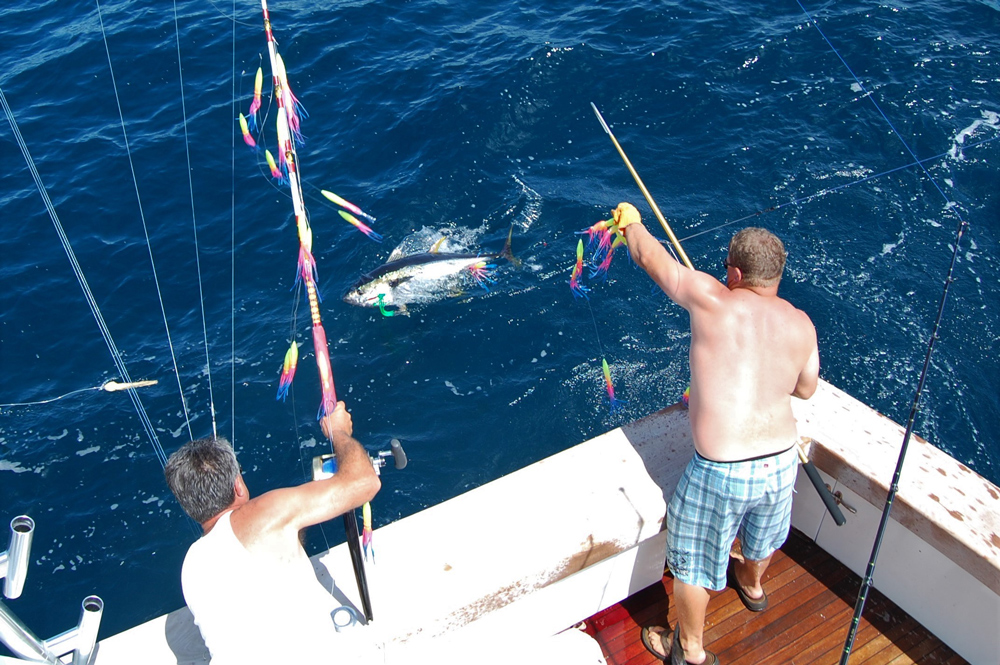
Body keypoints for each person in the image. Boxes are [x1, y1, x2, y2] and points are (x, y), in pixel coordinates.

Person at [613, 203, 819, 665]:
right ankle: (753, 586)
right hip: (782, 461)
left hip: (721, 472)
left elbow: (651, 259)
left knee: (695, 567)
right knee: (762, 540)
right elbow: (806, 389)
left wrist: (632, 222)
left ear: (735, 271)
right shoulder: (802, 323)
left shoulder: (710, 297)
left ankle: (687, 649)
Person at [164, 401, 381, 665]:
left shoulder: (191, 565)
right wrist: (339, 433)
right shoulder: (263, 514)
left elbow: (265, 558)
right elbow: (365, 482)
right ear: (238, 487)